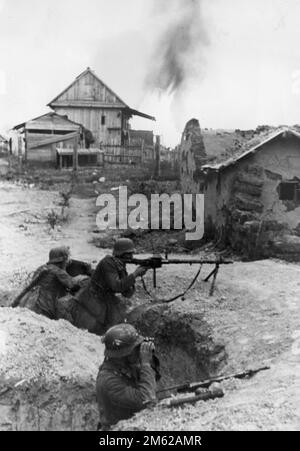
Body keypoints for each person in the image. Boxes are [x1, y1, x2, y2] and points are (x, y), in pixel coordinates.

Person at [74, 238, 148, 335]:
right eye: (129, 254)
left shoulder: (120, 265)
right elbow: (116, 286)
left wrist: (135, 276)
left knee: (122, 320)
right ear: (122, 253)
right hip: (93, 298)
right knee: (104, 329)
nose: (132, 256)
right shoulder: (108, 262)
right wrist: (134, 275)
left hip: (105, 298)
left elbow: (127, 293)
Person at [96, 323, 158, 430]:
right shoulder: (108, 380)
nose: (138, 351)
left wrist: (149, 361)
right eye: (135, 348)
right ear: (123, 354)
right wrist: (145, 364)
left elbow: (152, 382)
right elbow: (147, 399)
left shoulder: (125, 367)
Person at [12, 246, 82, 320]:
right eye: (67, 259)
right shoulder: (59, 272)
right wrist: (81, 278)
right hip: (46, 306)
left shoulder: (41, 268)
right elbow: (73, 285)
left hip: (29, 302)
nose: (68, 261)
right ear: (63, 260)